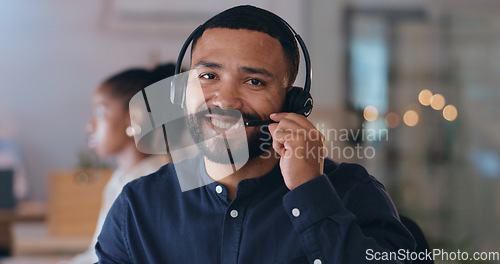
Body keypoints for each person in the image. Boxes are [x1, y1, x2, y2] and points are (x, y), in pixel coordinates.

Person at [96, 6, 415, 263]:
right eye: (208, 76)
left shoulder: (351, 193)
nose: (225, 100)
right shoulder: (138, 206)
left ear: (293, 103)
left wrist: (311, 193)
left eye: (254, 82)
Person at [65, 63, 178, 264]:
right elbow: (97, 254)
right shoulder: (121, 178)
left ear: (133, 119)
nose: (89, 125)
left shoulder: (151, 183)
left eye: (100, 113)